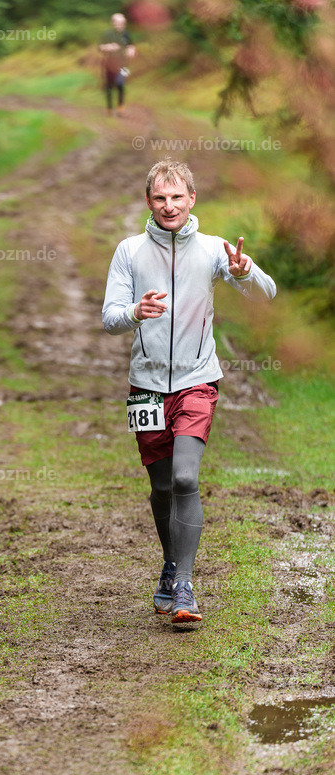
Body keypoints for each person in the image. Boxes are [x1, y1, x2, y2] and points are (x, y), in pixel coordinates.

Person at [102, 160, 276, 628]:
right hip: (146, 388)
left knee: (183, 478)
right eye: (160, 198)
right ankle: (171, 565)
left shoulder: (214, 249)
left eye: (177, 197)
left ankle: (184, 585)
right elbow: (109, 316)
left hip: (198, 380)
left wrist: (243, 273)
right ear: (148, 202)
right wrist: (135, 311)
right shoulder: (130, 251)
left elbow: (267, 294)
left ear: (191, 199)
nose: (169, 206)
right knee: (161, 486)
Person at [99, 12, 136, 115]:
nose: (121, 25)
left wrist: (131, 50)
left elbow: (131, 45)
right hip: (109, 64)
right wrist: (109, 47)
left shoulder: (126, 34)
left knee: (121, 84)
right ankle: (109, 108)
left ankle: (120, 107)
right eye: (118, 23)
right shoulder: (107, 34)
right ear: (113, 23)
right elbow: (100, 47)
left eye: (123, 23)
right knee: (109, 86)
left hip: (124, 65)